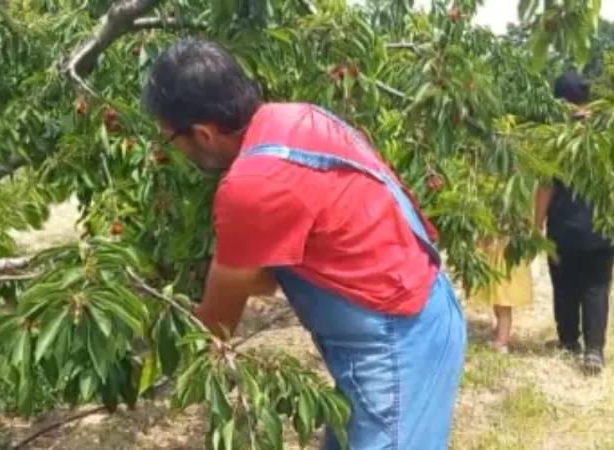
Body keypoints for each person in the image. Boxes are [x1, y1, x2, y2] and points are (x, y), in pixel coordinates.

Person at [142, 37, 467, 450]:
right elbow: (268, 278)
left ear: (203, 134)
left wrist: (160, 359)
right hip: (420, 309)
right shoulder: (295, 118)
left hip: (397, 344)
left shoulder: (252, 185)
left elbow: (218, 322)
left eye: (173, 140)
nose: (177, 152)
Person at [535, 69, 613, 374]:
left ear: (561, 103)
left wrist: (535, 225)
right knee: (597, 286)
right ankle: (594, 349)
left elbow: (545, 186)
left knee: (565, 286)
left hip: (564, 228)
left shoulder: (555, 139)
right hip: (602, 228)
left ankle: (569, 342)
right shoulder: (607, 133)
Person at [473, 238, 534, 353]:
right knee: (498, 302)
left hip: (505, 261)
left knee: (503, 305)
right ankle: (501, 332)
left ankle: (502, 342)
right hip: (497, 257)